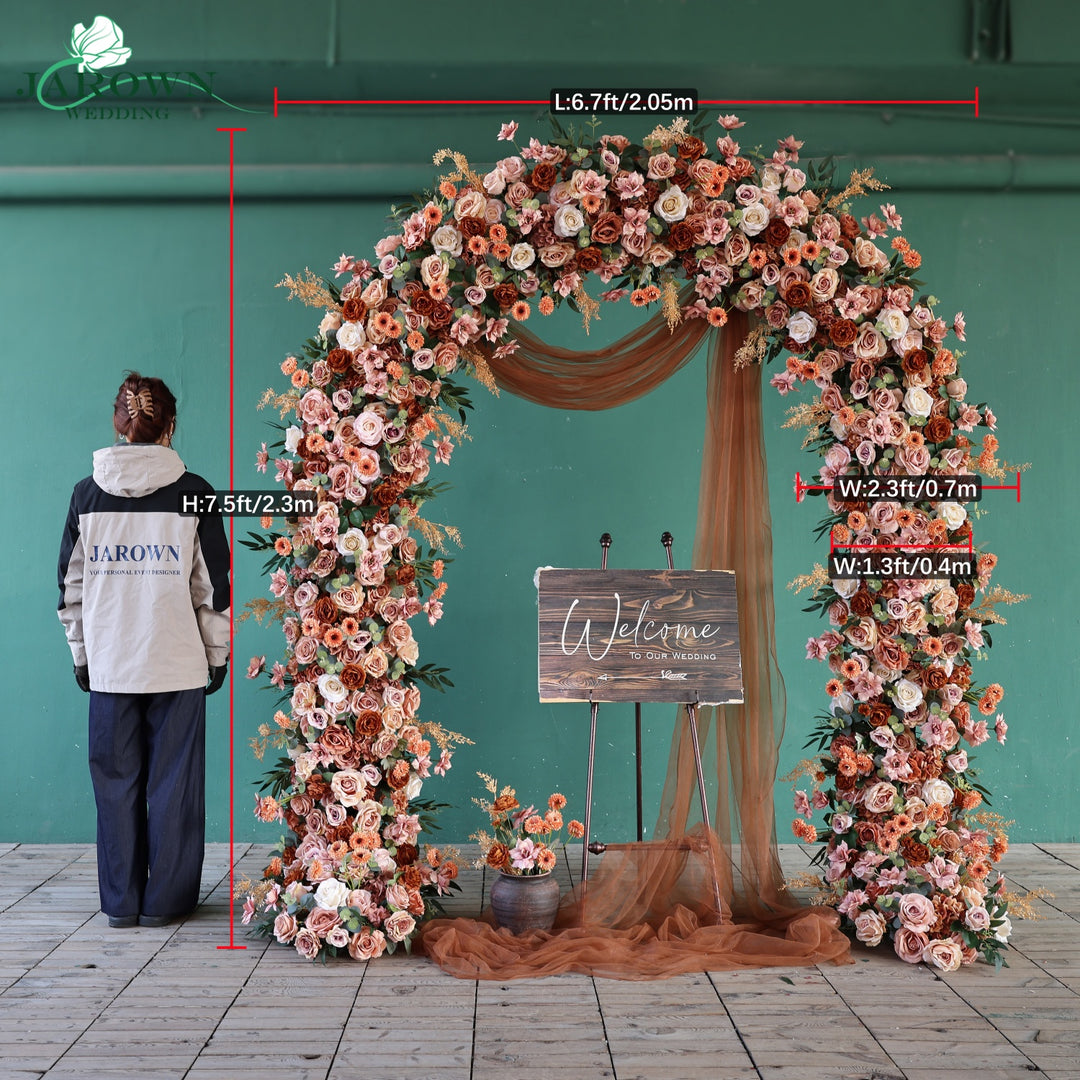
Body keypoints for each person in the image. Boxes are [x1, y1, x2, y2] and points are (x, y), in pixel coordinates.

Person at [57, 373, 230, 928]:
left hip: (110, 664)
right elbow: (213, 588)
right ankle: (166, 904)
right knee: (174, 785)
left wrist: (82, 656)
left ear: (117, 422)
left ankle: (120, 902)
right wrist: (217, 656)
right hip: (176, 662)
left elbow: (71, 591)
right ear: (170, 426)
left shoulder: (85, 495)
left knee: (115, 786)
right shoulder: (194, 492)